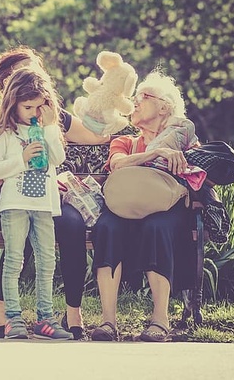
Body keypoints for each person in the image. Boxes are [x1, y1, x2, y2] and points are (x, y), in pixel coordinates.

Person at [0, 46, 110, 340]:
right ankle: (4, 310)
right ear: (8, 86)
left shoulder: (50, 117)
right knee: (21, 241)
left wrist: (116, 118)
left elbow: (92, 139)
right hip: (7, 197)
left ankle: (65, 313)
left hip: (43, 198)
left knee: (69, 227)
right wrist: (23, 159)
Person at [90, 70, 197, 342]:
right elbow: (116, 164)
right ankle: (108, 322)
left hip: (165, 210)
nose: (134, 102)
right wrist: (155, 153)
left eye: (143, 97)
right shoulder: (126, 141)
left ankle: (160, 321)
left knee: (156, 226)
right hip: (125, 206)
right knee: (106, 226)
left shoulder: (184, 138)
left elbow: (201, 175)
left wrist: (181, 159)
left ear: (164, 106)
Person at [0, 66, 72, 340]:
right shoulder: (3, 132)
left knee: (47, 261)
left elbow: (57, 158)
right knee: (14, 261)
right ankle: (13, 318)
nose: (34, 112)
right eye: (27, 106)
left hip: (45, 206)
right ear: (13, 103)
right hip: (14, 205)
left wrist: (48, 128)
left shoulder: (48, 129)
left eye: (39, 106)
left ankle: (45, 318)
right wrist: (21, 159)